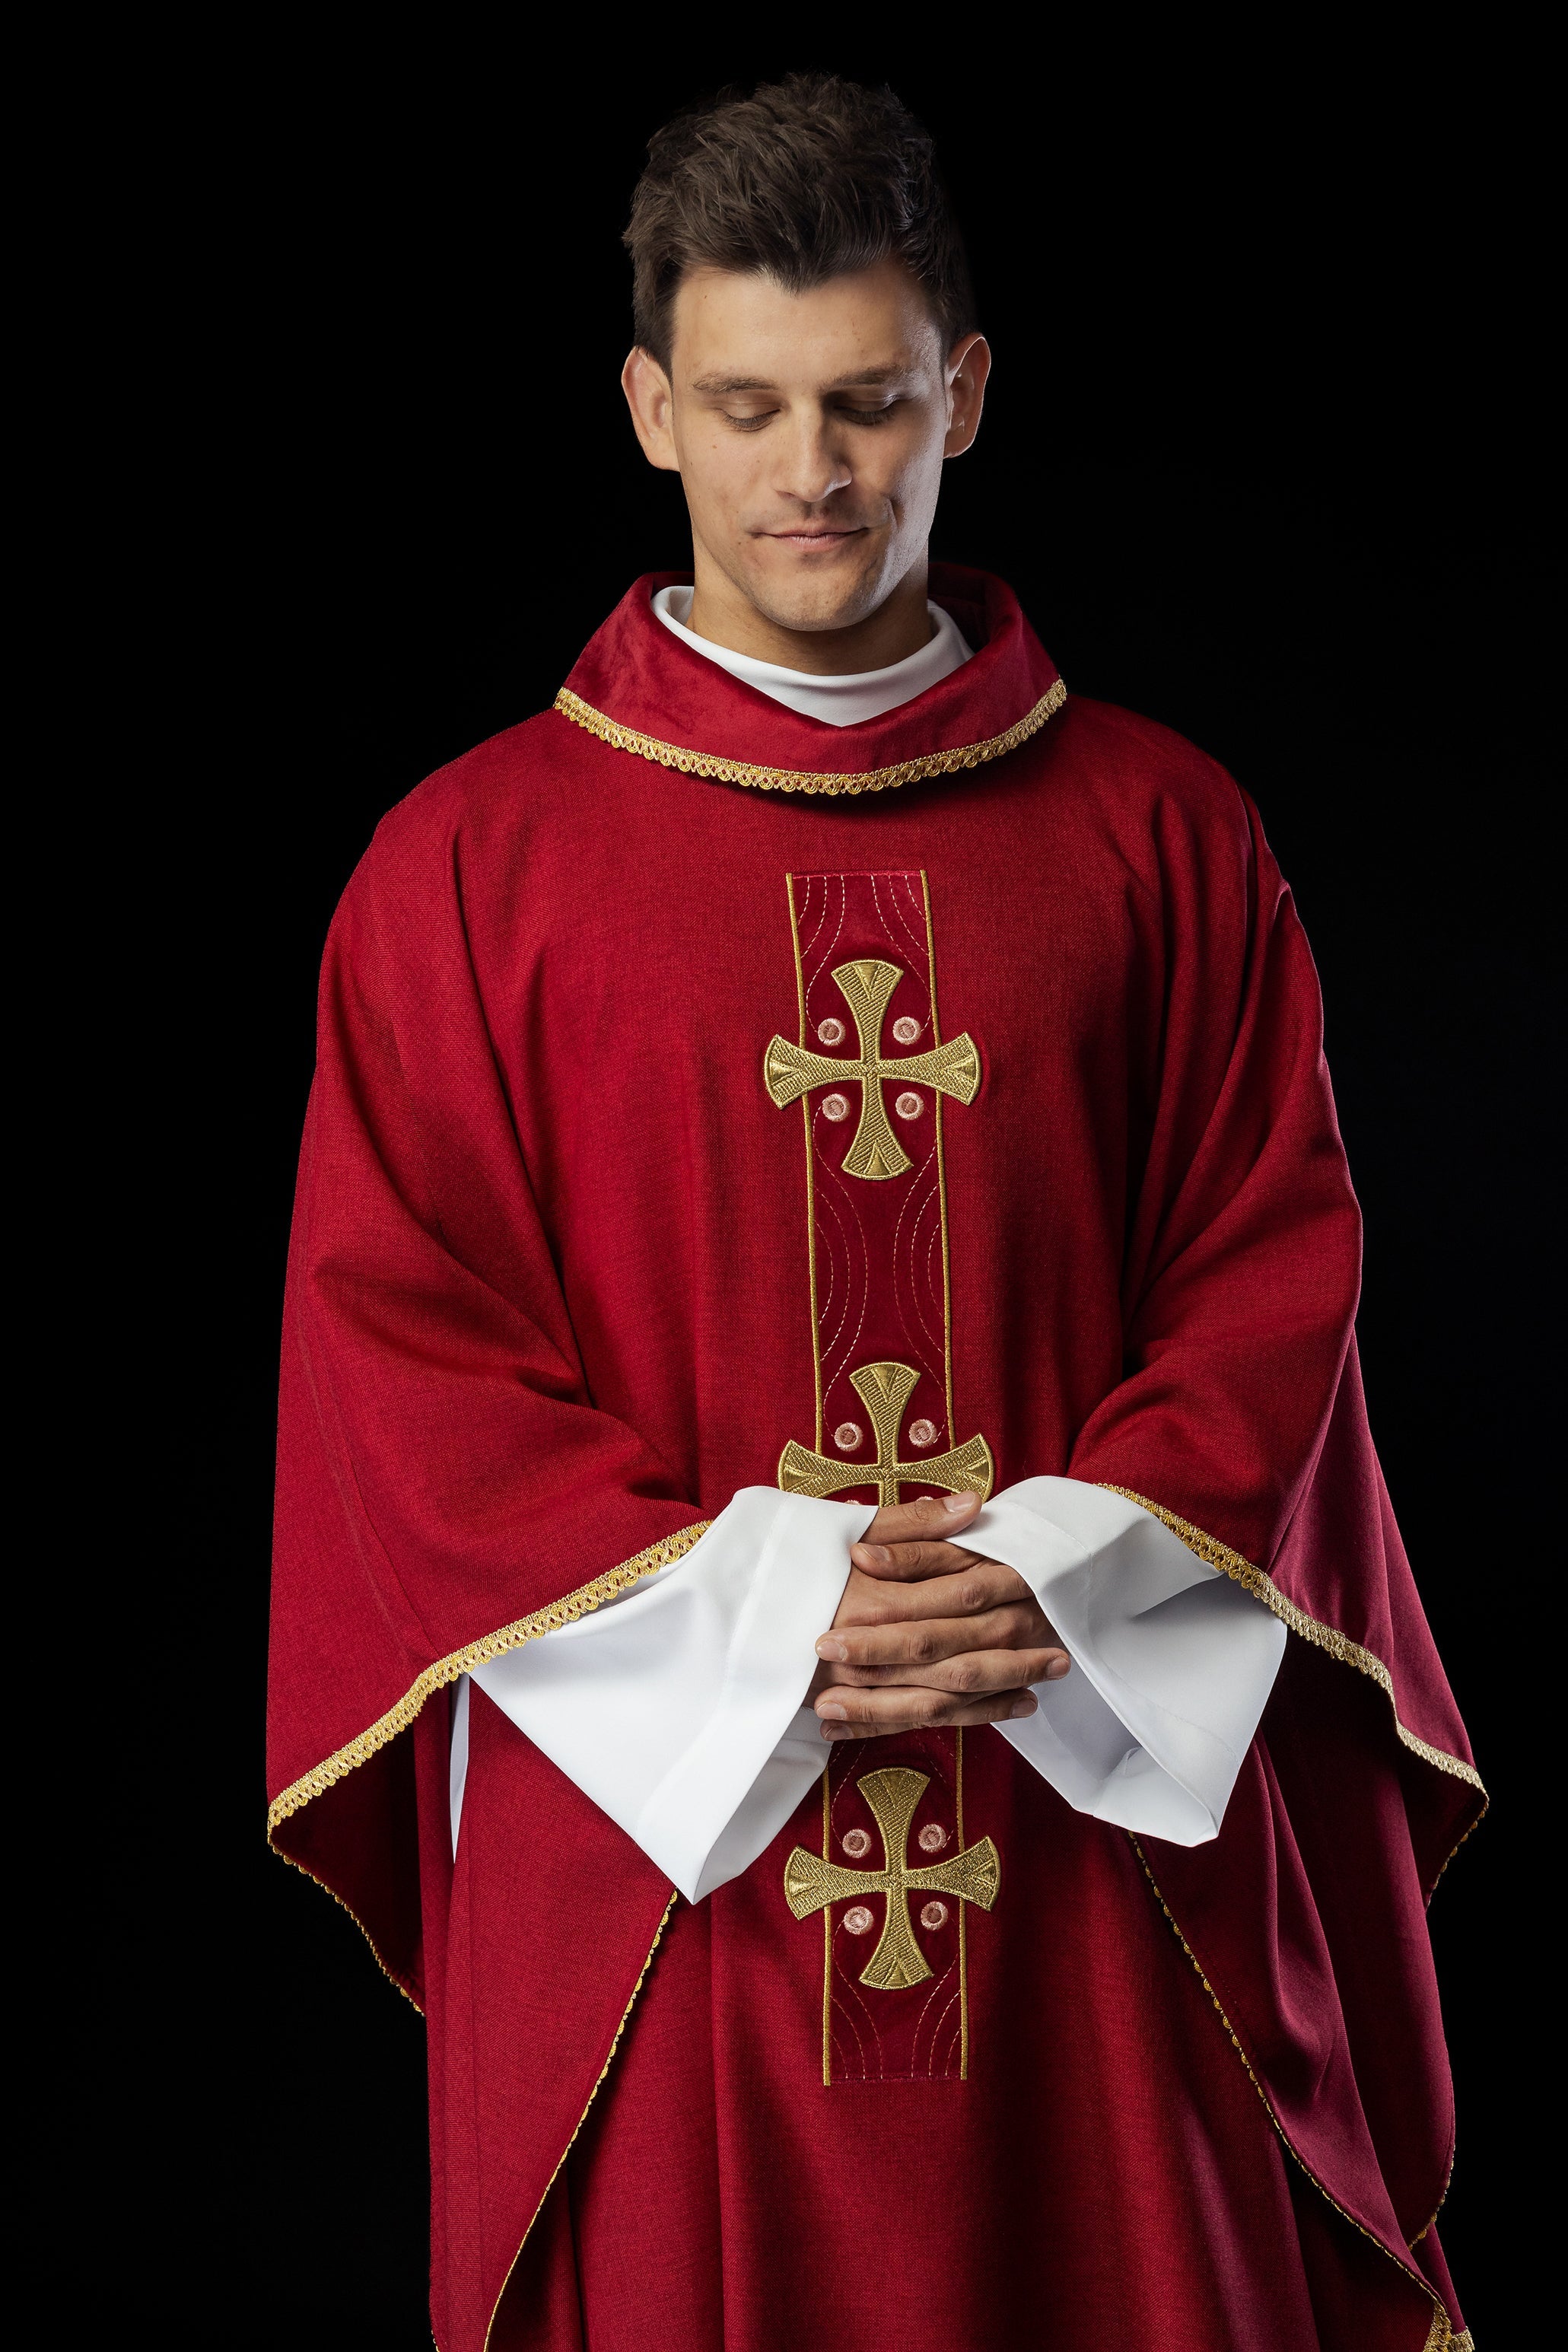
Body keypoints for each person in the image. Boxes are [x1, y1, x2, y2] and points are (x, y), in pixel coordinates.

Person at [267, 72, 1481, 2352]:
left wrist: (1033, 1578)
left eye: (868, 401)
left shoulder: (1167, 841)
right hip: (678, 1859)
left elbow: (1269, 1277)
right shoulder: (463, 877)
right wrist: (771, 1616)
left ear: (968, 394)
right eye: (745, 406)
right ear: (649, 407)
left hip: (1091, 1814)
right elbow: (401, 1363)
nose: (813, 475)